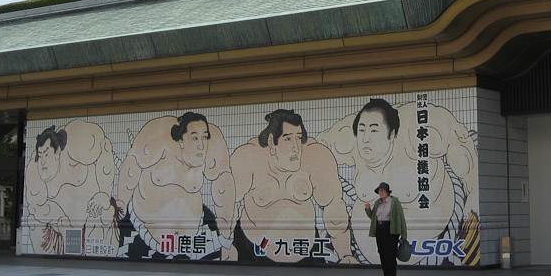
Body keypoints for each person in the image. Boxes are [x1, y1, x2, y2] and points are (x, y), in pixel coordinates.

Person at [317, 98, 479, 265]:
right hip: (369, 248)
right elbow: (315, 151)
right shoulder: (348, 139)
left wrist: (472, 191)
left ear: (392, 133)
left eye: (374, 131)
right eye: (362, 130)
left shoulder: (416, 128)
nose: (365, 139)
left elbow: (458, 140)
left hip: (434, 241)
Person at [226, 108, 355, 263]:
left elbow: (334, 208)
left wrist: (345, 254)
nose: (296, 147)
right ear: (271, 142)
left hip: (305, 248)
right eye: (287, 139)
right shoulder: (248, 157)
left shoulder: (316, 156)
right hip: (253, 246)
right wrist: (227, 246)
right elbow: (228, 205)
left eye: (299, 138)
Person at [115, 112, 234, 259]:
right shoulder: (158, 134)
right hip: (141, 231)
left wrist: (226, 237)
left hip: (191, 240)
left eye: (204, 137)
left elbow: (223, 186)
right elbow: (132, 166)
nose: (201, 145)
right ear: (181, 140)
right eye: (195, 138)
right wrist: (121, 202)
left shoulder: (214, 144)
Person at [25, 120, 117, 255]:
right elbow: (35, 205)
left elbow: (105, 148)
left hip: (90, 218)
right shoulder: (35, 168)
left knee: (105, 213)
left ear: (57, 152)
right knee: (33, 222)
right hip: (58, 230)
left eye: (46, 154)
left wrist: (103, 193)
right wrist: (59, 219)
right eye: (40, 155)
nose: (43, 161)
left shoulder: (76, 145)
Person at [365, 181, 407, 276]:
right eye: (379, 191)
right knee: (383, 256)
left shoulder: (394, 202)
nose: (381, 193)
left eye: (383, 191)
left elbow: (401, 218)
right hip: (380, 230)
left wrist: (404, 233)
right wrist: (368, 209)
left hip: (391, 230)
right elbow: (373, 217)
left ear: (388, 192)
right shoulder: (377, 203)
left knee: (390, 256)